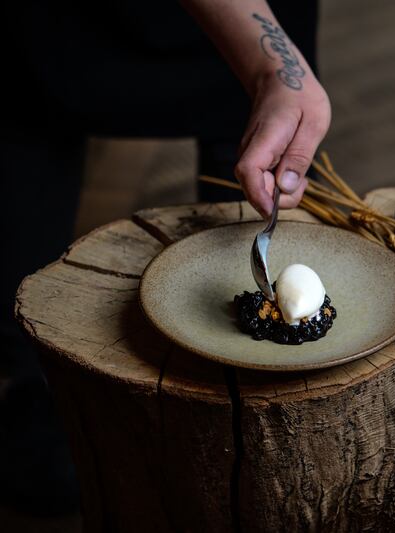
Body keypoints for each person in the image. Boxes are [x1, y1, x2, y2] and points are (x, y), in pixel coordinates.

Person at [0, 0, 327, 515]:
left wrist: (271, 71)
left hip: (253, 41)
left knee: (252, 166)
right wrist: (269, 61)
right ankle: (31, 389)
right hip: (61, 38)